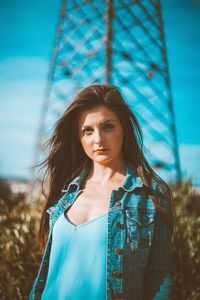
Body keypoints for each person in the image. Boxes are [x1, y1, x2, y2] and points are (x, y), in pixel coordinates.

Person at [29, 84, 175, 300]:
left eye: (108, 127)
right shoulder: (66, 192)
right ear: (79, 138)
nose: (98, 139)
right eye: (87, 130)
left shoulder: (149, 194)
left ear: (123, 129)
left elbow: (160, 278)